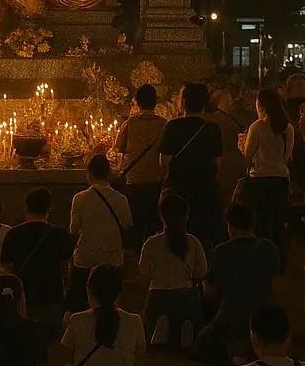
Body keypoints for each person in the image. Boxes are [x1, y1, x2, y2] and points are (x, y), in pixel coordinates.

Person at [193, 202, 280, 363]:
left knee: (200, 346)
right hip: (261, 319)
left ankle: (232, 357)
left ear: (229, 226)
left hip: (230, 318)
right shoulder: (269, 248)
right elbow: (276, 286)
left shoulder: (222, 250)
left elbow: (210, 292)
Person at [0, 187, 77, 358]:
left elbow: (6, 268)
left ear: (25, 207)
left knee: (22, 343)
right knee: (49, 341)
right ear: (49, 208)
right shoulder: (60, 235)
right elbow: (66, 268)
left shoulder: (13, 234)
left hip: (23, 297)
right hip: (51, 295)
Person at [158, 81, 225, 251]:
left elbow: (164, 162)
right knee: (202, 236)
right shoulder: (213, 129)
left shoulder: (172, 127)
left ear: (183, 101)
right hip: (205, 191)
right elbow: (217, 163)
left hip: (179, 190)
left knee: (177, 236)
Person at [138, 190, 207, 349]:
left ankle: (161, 322)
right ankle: (186, 325)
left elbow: (144, 273)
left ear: (161, 216)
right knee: (190, 310)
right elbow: (201, 272)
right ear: (187, 216)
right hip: (185, 297)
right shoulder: (193, 242)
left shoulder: (151, 243)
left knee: (152, 315)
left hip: (157, 295)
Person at [67, 153, 132, 309]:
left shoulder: (80, 199)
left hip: (86, 260)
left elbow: (73, 230)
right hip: (112, 260)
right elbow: (127, 225)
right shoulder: (121, 199)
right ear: (108, 174)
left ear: (89, 173)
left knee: (80, 305)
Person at [239, 87, 293, 259]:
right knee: (278, 222)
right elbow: (286, 156)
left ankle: (263, 259)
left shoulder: (257, 127)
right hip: (281, 181)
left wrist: (242, 145)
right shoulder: (288, 128)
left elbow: (247, 156)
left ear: (261, 105)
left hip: (260, 181)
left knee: (262, 224)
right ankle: (281, 259)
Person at [116, 84, 168, 246]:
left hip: (135, 181)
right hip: (156, 181)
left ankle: (136, 259)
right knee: (154, 225)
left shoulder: (129, 124)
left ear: (137, 103)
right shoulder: (164, 124)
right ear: (155, 102)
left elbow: (119, 148)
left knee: (136, 224)